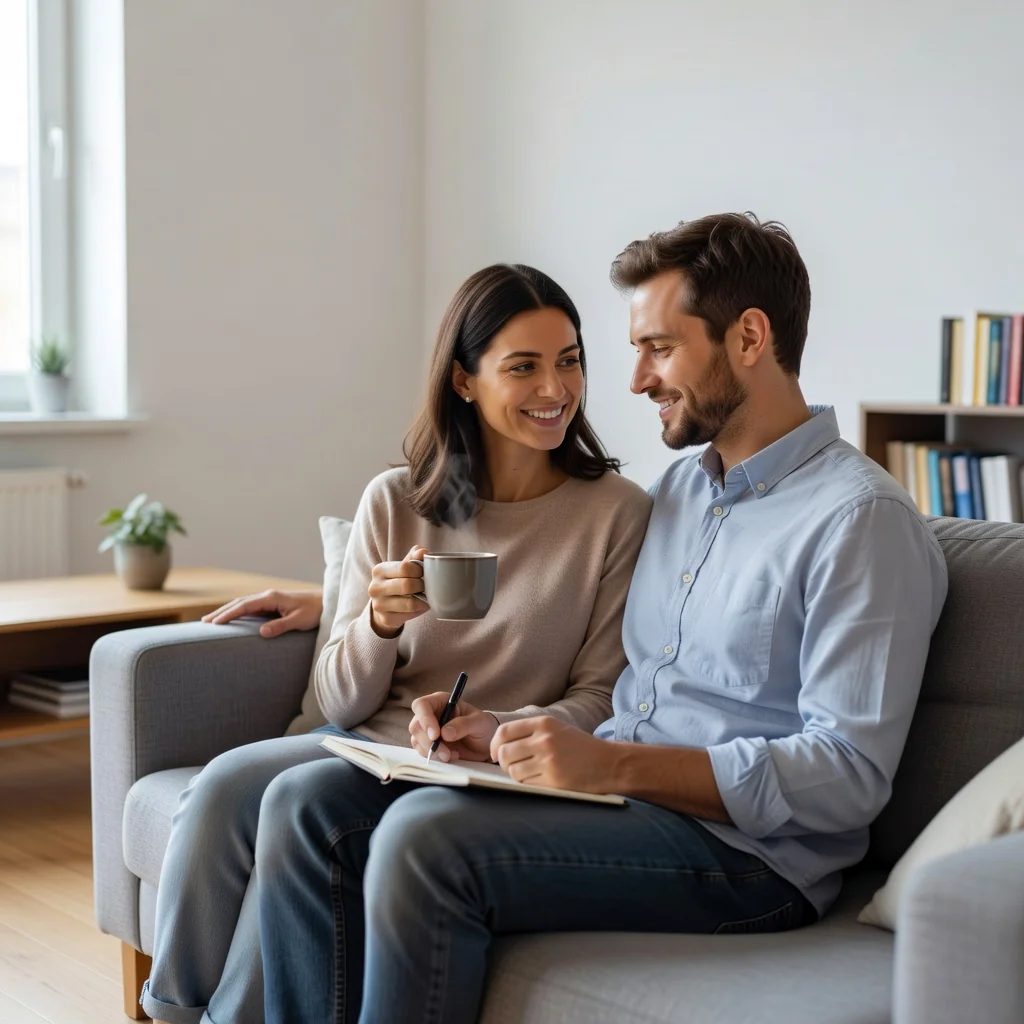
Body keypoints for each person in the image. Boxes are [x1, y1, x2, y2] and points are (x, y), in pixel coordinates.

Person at [255, 213, 949, 1024]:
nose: (636, 381)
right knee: (311, 808)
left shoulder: (861, 521)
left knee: (424, 842)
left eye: (659, 348)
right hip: (618, 804)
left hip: (748, 858)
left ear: (749, 338)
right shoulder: (680, 494)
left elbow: (846, 776)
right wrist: (500, 729)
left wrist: (612, 767)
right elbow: (602, 657)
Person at [140, 264, 652, 1024]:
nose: (556, 388)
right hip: (371, 746)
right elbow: (340, 703)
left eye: (569, 360)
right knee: (220, 788)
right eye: (523, 366)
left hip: (500, 765)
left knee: (293, 810)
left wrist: (501, 729)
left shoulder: (617, 514)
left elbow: (603, 696)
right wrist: (377, 624)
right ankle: (172, 1012)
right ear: (464, 380)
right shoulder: (396, 499)